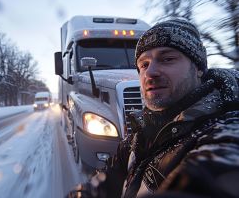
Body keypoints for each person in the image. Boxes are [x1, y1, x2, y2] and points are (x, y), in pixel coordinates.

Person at [66, 19, 239, 198]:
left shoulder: (225, 132)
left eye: (167, 59)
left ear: (198, 68)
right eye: (143, 65)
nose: (149, 73)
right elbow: (108, 180)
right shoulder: (142, 135)